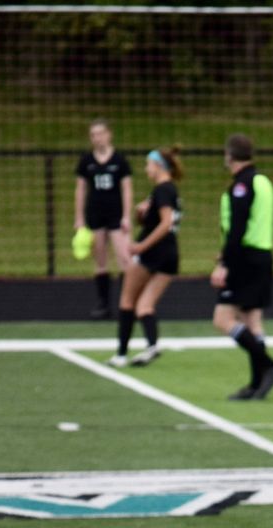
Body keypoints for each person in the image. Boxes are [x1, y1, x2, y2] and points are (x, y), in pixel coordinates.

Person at [210, 133, 273, 401]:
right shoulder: (264, 181)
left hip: (245, 258)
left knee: (223, 319)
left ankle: (269, 365)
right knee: (252, 321)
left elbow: (237, 227)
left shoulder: (241, 186)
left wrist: (224, 264)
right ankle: (256, 384)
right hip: (263, 256)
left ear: (229, 156)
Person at [108, 147, 182, 369]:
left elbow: (166, 223)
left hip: (155, 253)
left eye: (148, 164)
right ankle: (151, 346)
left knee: (127, 300)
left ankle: (121, 354)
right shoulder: (170, 190)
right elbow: (157, 221)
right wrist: (142, 214)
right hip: (171, 254)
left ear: (158, 165)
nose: (146, 168)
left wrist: (141, 246)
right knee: (144, 306)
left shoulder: (162, 190)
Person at [74, 119, 133, 320]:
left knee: (125, 258)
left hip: (115, 215)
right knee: (100, 261)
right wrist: (79, 218)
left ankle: (128, 302)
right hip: (95, 215)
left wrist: (127, 216)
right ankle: (103, 304)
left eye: (100, 133)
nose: (97, 138)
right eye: (93, 135)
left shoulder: (119, 160)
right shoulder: (86, 161)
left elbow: (126, 189)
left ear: (109, 134)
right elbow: (80, 189)